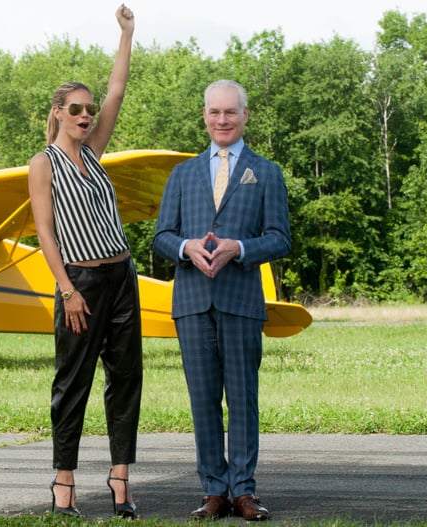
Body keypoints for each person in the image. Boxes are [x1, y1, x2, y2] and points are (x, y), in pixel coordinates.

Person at [152, 79, 291, 521]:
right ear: (205, 116)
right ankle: (214, 491)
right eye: (215, 112)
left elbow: (280, 239)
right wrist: (186, 247)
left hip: (241, 300)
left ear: (245, 115)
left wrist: (241, 248)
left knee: (243, 398)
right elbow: (160, 237)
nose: (222, 120)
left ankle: (244, 491)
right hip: (192, 302)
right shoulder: (183, 174)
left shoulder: (266, 172)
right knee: (203, 398)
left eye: (231, 112)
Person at [27, 3, 141, 520]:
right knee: (72, 382)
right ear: (56, 113)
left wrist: (126, 34)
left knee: (126, 377)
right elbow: (45, 233)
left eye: (88, 109)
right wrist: (67, 289)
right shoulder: (42, 163)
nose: (86, 115)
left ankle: (119, 480)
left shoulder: (94, 151)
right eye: (75, 109)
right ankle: (63, 485)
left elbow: (117, 90)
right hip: (80, 281)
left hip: (121, 276)